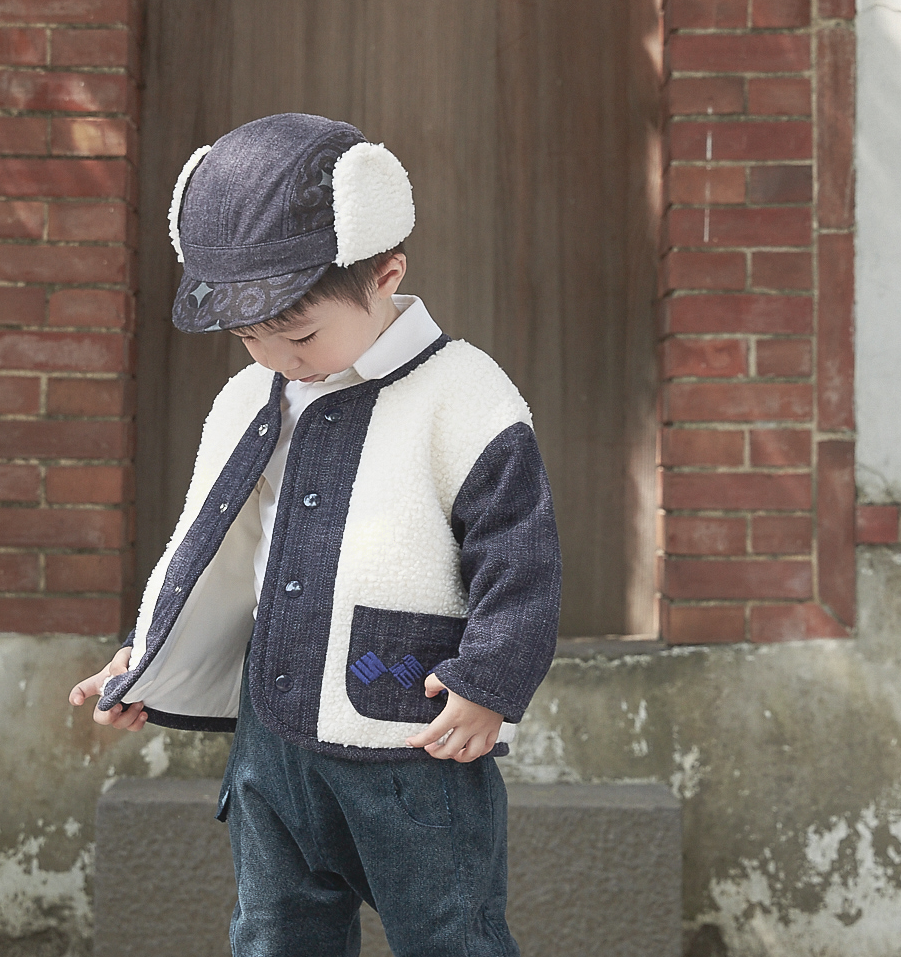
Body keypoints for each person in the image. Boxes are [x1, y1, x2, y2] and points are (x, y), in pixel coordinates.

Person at [69, 113, 561, 955]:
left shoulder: (465, 395)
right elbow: (206, 547)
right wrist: (145, 652)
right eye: (250, 335)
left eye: (297, 334)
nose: (276, 355)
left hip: (413, 739)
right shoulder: (248, 397)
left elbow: (519, 555)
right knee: (274, 930)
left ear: (385, 275)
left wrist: (491, 682)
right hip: (273, 744)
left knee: (450, 930)